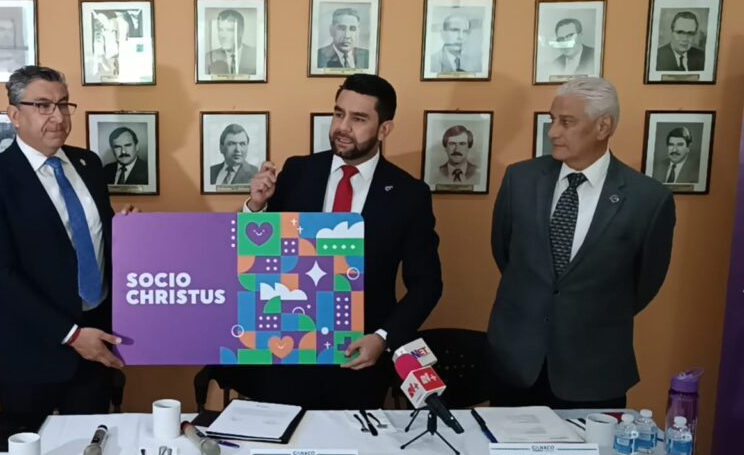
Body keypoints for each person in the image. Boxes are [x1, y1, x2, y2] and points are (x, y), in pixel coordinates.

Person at [225, 74, 443, 410]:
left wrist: (383, 338)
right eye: (339, 113)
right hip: (287, 353)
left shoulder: (409, 195)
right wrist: (256, 207)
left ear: (384, 129)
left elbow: (427, 284)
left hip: (357, 360)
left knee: (351, 442)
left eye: (359, 119)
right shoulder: (297, 172)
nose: (342, 127)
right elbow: (253, 259)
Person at [488, 78, 676, 408]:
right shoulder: (521, 180)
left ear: (603, 126)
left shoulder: (648, 199)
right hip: (516, 364)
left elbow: (644, 284)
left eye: (566, 122)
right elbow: (504, 252)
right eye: (552, 120)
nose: (553, 132)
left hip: (594, 371)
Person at [0, 65, 134, 415]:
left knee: (93, 444)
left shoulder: (88, 164)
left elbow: (91, 240)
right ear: (15, 115)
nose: (58, 117)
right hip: (31, 354)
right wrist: (71, 335)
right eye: (43, 106)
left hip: (96, 342)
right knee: (29, 449)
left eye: (63, 104)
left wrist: (127, 232)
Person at [204, 9, 256, 76]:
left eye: (229, 30)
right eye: (220, 30)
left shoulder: (255, 55)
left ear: (241, 31)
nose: (223, 36)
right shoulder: (208, 58)